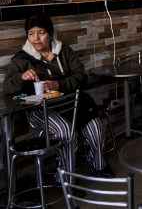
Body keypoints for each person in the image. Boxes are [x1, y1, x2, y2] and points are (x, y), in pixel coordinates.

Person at [3, 14, 109, 176]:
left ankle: (98, 165)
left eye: (41, 32)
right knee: (65, 131)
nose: (36, 38)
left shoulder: (63, 51)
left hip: (72, 104)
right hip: (41, 110)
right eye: (31, 33)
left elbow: (81, 76)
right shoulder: (21, 60)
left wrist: (59, 84)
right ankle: (66, 177)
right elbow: (7, 87)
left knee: (95, 126)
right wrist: (21, 77)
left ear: (50, 34)